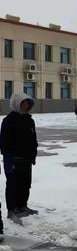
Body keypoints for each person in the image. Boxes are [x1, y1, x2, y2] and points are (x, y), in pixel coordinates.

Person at [0, 93, 38, 224]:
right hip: (13, 159)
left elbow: (33, 139)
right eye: (23, 103)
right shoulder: (8, 121)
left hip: (26, 159)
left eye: (27, 103)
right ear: (16, 104)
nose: (26, 105)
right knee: (12, 185)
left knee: (25, 184)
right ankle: (12, 210)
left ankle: (22, 206)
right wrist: (9, 160)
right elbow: (4, 143)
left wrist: (33, 155)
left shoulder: (29, 120)